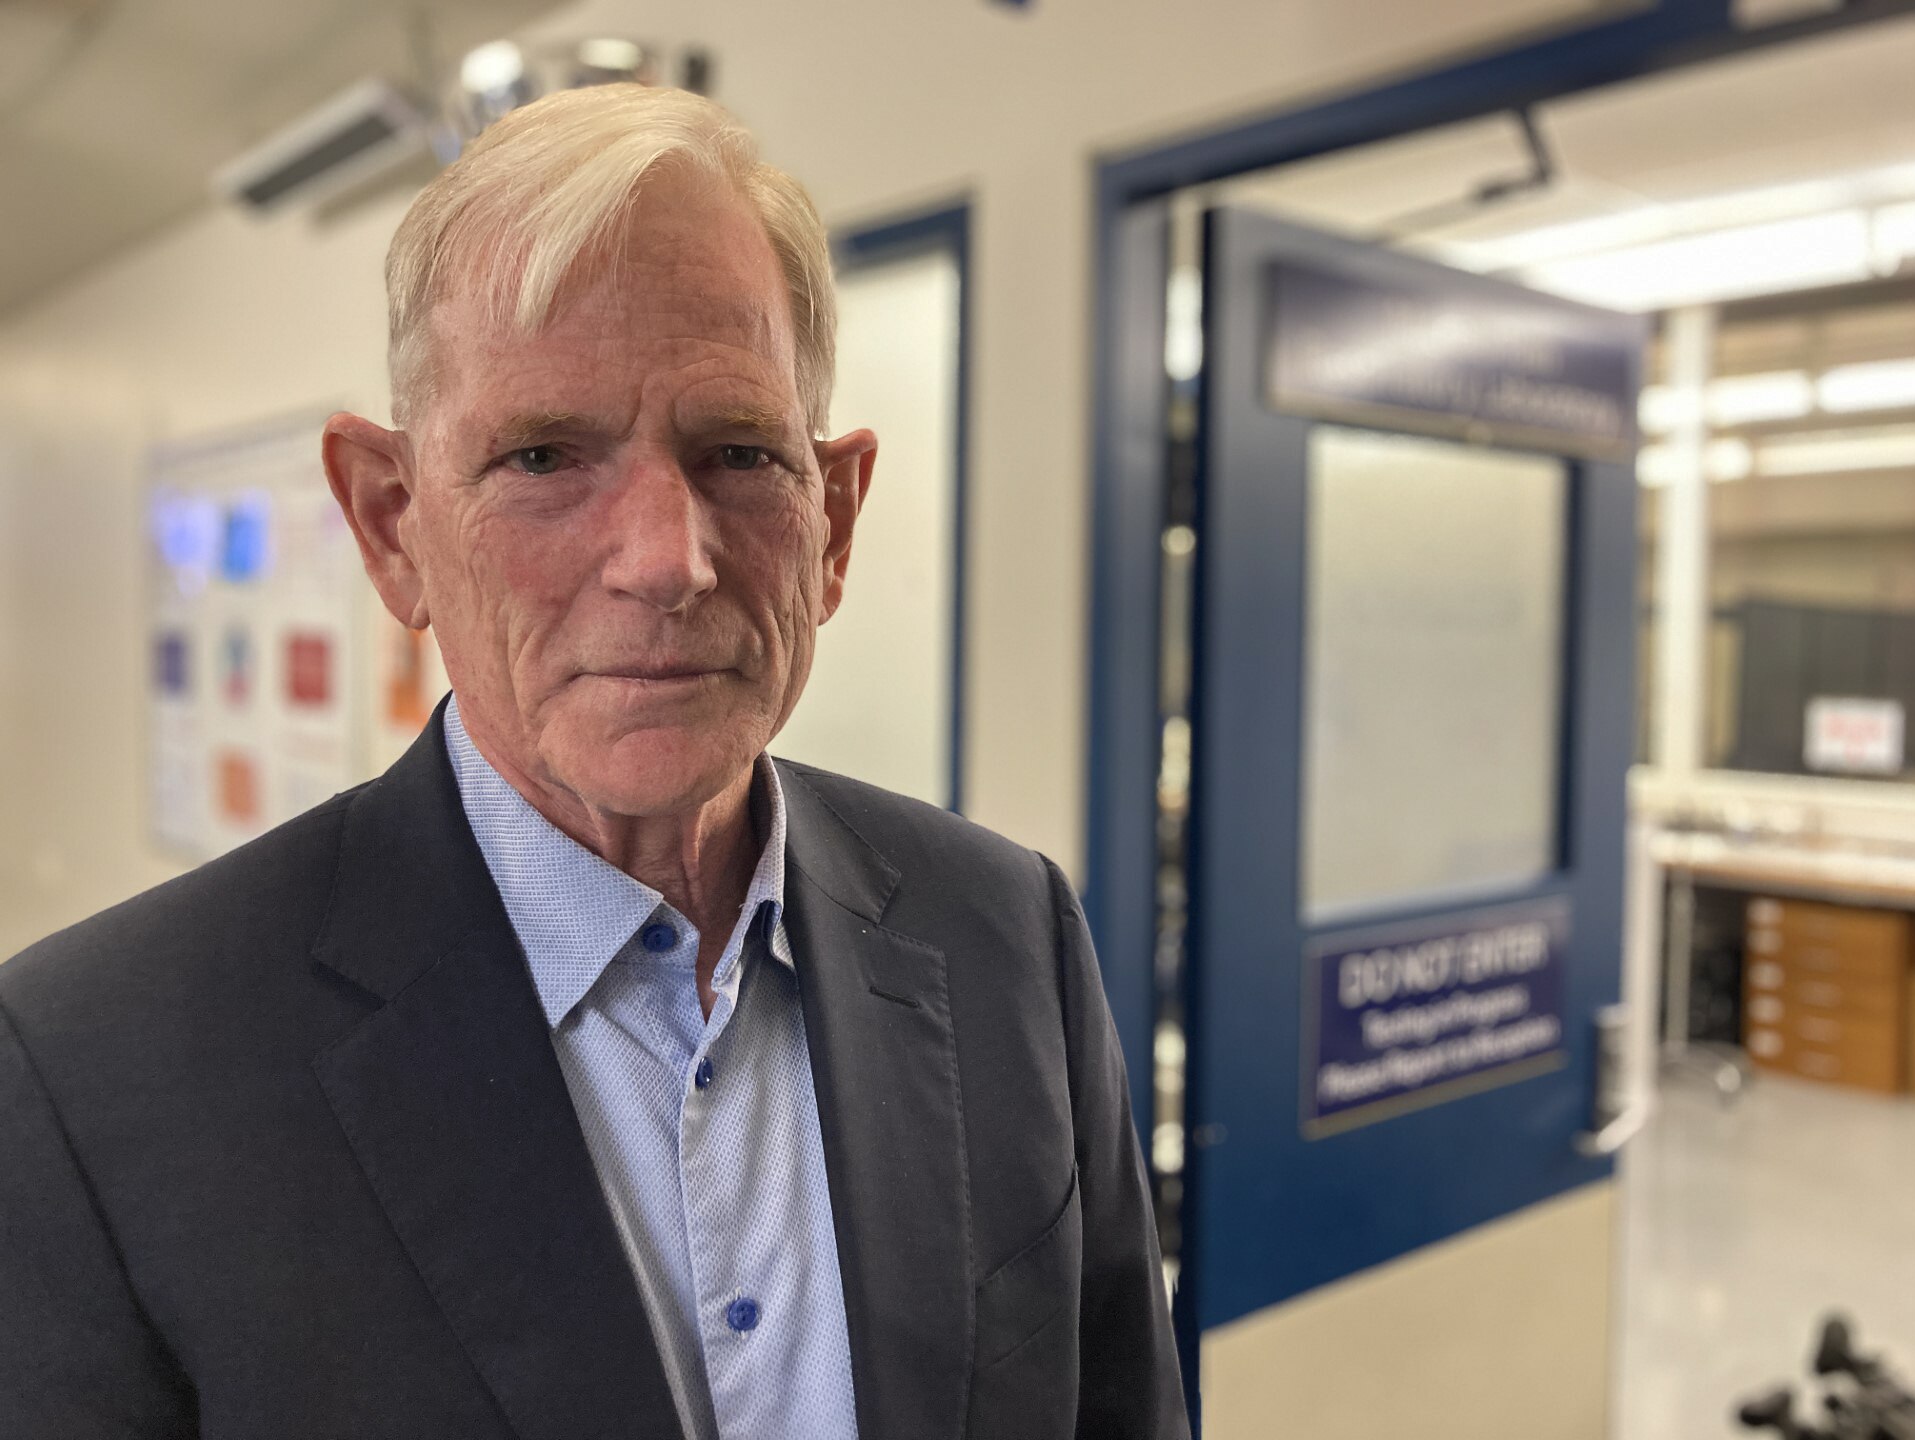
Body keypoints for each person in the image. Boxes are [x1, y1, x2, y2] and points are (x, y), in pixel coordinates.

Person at [0, 84, 1187, 1439]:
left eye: (738, 450)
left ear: (835, 522)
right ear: (393, 527)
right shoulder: (95, 1075)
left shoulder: (1007, 934)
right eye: (545, 456)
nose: (666, 560)